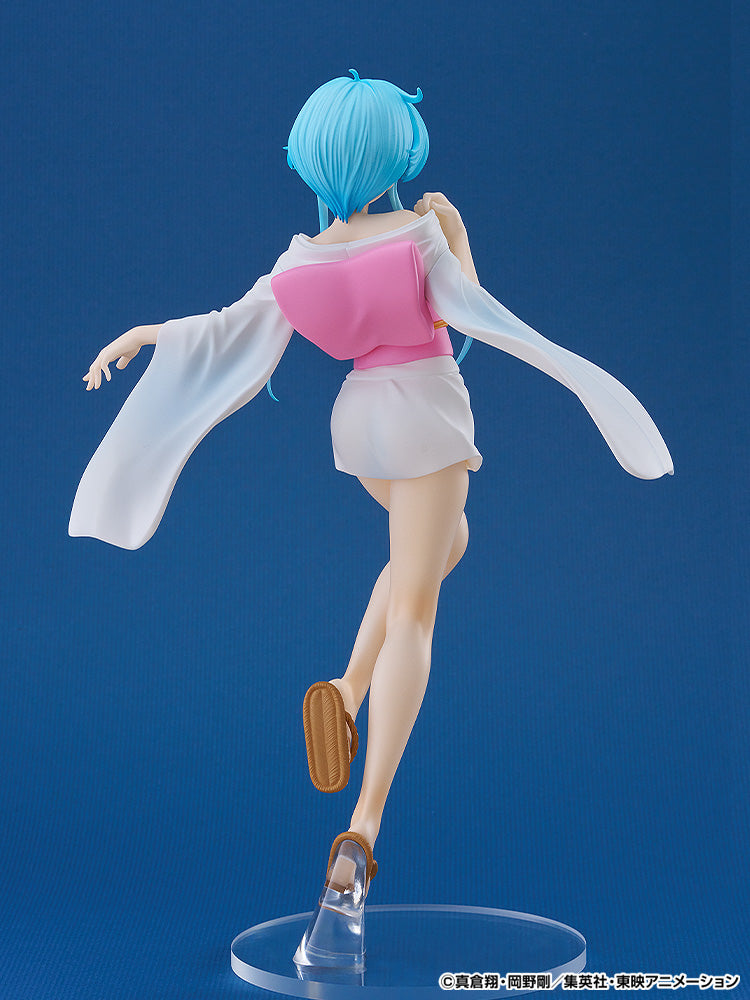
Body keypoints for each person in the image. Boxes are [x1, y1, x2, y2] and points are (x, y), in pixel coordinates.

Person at [70, 71, 673, 927]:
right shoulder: (418, 237)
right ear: (394, 153)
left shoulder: (298, 262)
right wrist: (456, 234)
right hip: (423, 415)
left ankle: (349, 688)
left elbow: (224, 327)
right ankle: (363, 826)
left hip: (358, 425)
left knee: (444, 544)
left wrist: (146, 334)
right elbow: (470, 316)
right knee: (417, 613)